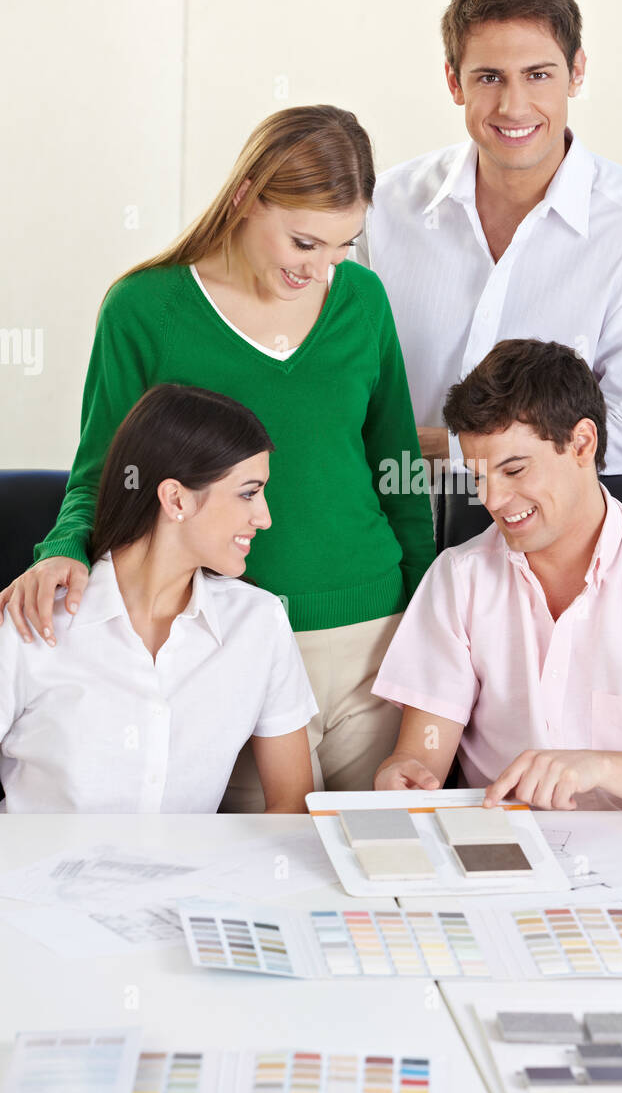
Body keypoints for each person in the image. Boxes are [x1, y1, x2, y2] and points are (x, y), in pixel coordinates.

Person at [0, 106, 435, 798]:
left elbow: (400, 475)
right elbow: (105, 473)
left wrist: (427, 625)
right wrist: (62, 549)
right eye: (304, 243)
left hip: (375, 642)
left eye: (342, 247)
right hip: (227, 643)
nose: (323, 269)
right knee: (264, 873)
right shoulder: (145, 309)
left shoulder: (363, 300)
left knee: (377, 874)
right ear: (245, 196)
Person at [372, 340, 622, 812]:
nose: (492, 500)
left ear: (582, 443)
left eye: (514, 470)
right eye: (478, 477)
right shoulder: (458, 579)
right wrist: (404, 773)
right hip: (507, 853)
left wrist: (596, 767)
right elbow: (421, 757)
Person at [357, 0, 622, 474]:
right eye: (489, 77)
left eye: (538, 75)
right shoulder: (382, 210)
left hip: (543, 551)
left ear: (577, 72)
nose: (514, 106)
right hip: (388, 539)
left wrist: (445, 446)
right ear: (455, 82)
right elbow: (337, 375)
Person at [0, 384, 318, 813]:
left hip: (193, 881)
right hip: (38, 878)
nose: (263, 518)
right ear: (175, 499)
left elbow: (290, 809)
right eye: (248, 492)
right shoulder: (32, 619)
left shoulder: (259, 622)